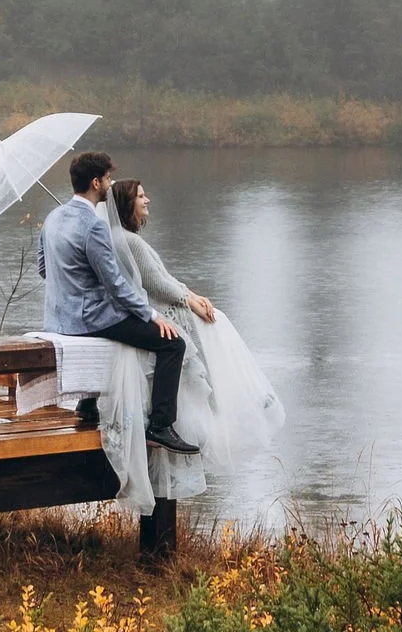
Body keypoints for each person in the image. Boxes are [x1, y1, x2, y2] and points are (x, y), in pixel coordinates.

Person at [106, 176, 284, 473]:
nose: (147, 200)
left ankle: (243, 397)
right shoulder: (130, 242)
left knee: (213, 321)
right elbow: (156, 284)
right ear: (127, 204)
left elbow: (164, 278)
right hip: (155, 312)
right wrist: (189, 301)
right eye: (140, 196)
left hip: (161, 307)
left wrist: (192, 295)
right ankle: (244, 400)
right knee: (214, 323)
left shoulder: (122, 238)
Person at [36, 149, 196, 450]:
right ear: (96, 182)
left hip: (57, 317)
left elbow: (44, 269)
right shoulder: (93, 225)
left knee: (133, 327)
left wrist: (73, 283)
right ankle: (160, 425)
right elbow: (116, 285)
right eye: (108, 178)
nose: (111, 184)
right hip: (88, 320)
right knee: (173, 343)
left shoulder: (52, 217)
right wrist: (151, 314)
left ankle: (87, 405)